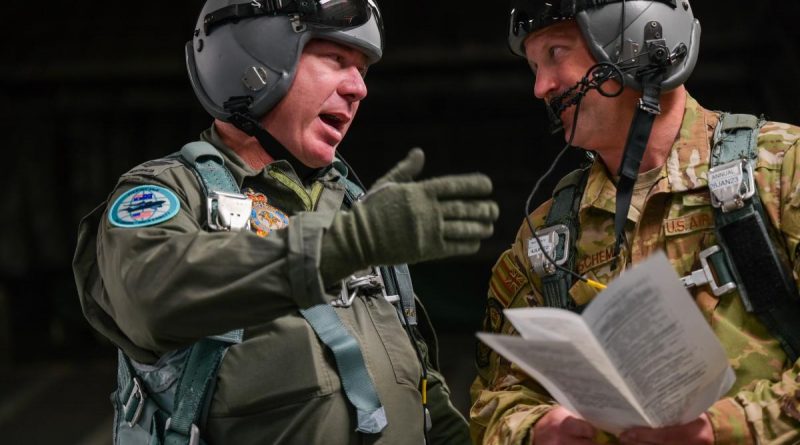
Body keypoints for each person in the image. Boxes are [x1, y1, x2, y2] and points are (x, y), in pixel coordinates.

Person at [72, 0, 499, 443]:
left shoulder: (352, 205)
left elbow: (423, 400)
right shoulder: (172, 195)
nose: (359, 88)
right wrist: (340, 248)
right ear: (253, 63)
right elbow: (154, 297)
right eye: (336, 59)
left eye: (363, 70)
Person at [470, 1, 800, 444]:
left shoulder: (780, 170)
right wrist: (537, 429)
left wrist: (722, 430)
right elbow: (496, 397)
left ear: (637, 44)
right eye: (533, 66)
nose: (541, 87)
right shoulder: (549, 235)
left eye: (555, 54)